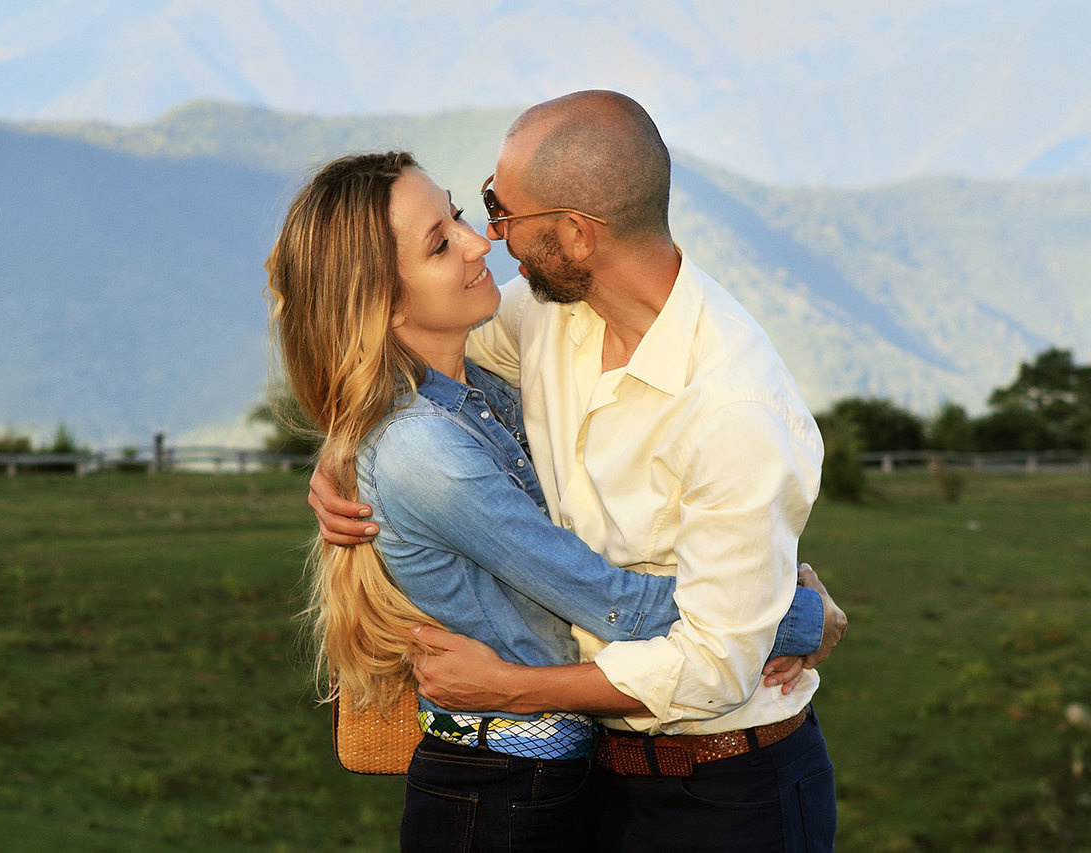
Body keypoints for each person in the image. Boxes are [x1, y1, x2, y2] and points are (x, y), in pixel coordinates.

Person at [311, 91, 847, 851]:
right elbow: (401, 358)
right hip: (590, 783)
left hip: (731, 798)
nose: (488, 240)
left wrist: (512, 689)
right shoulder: (544, 314)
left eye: (497, 211)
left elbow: (711, 666)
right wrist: (344, 461)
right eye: (470, 218)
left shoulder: (735, 407)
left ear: (574, 234)